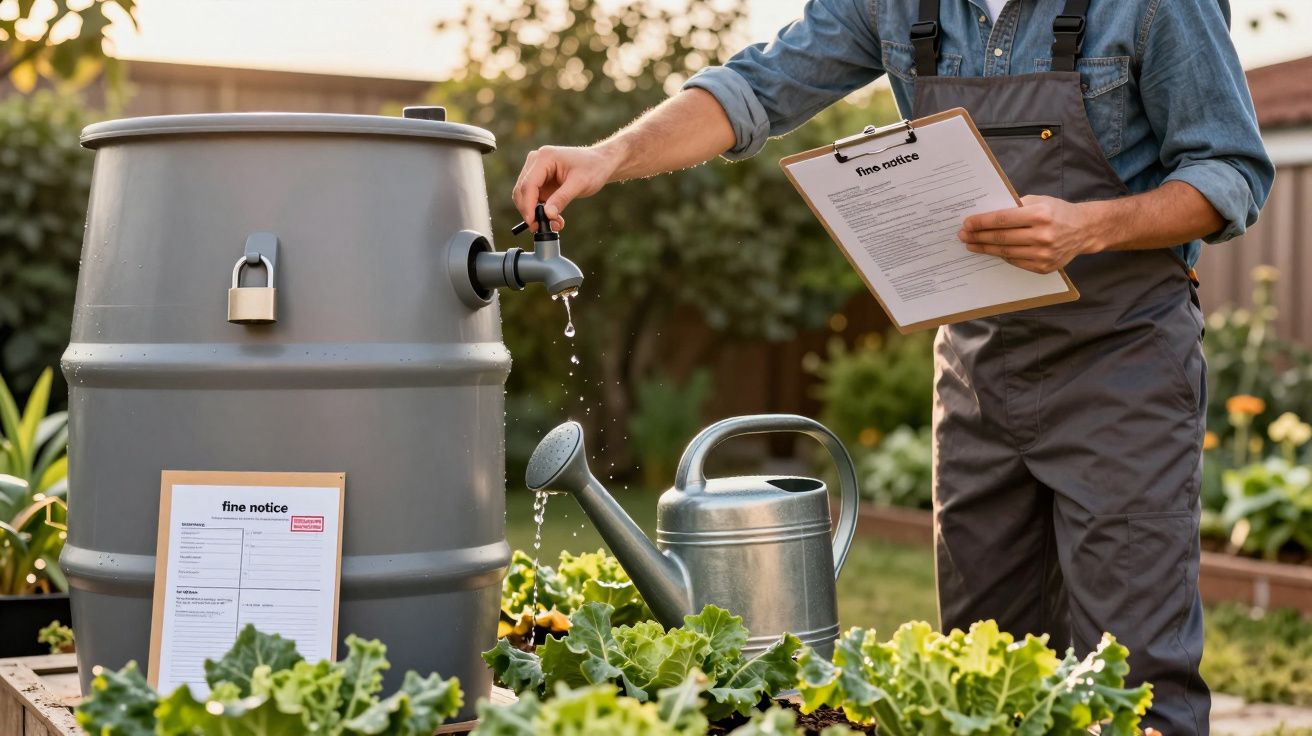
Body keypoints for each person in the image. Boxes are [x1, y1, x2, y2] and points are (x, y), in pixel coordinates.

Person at [511, 1, 1274, 732]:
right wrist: (609, 155)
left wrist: (1091, 226)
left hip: (1123, 363)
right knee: (984, 669)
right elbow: (752, 89)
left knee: (1133, 674)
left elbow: (1232, 172)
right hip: (979, 370)